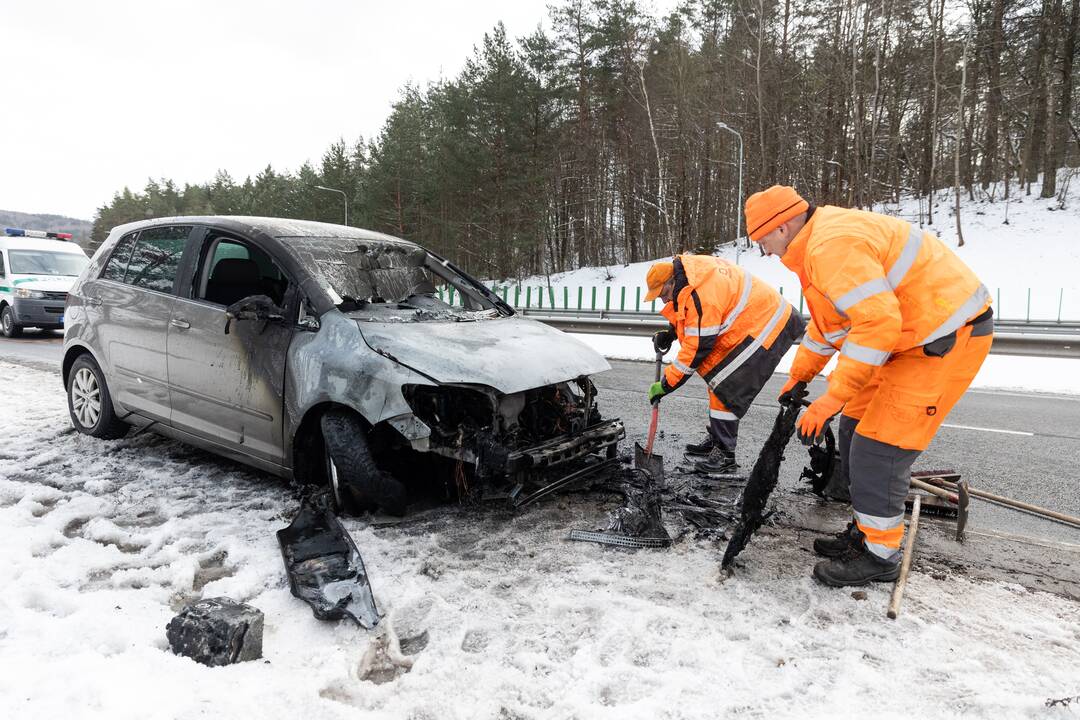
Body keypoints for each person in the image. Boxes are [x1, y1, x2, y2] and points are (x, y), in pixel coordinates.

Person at [745, 185, 993, 587]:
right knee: (854, 429)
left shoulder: (830, 247)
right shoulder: (814, 250)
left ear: (785, 225)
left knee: (880, 446)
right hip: (907, 340)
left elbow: (876, 325)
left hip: (942, 338)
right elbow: (830, 327)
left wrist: (832, 399)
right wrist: (799, 376)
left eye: (763, 241)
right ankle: (866, 534)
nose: (766, 252)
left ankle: (880, 557)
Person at [644, 255, 805, 475]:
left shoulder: (700, 292)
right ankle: (717, 440)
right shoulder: (690, 276)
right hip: (753, 321)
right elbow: (691, 315)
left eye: (664, 294)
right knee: (717, 380)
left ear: (673, 281)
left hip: (767, 326)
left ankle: (724, 455)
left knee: (726, 386)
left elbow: (697, 347)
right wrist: (671, 334)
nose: (663, 301)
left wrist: (666, 384)